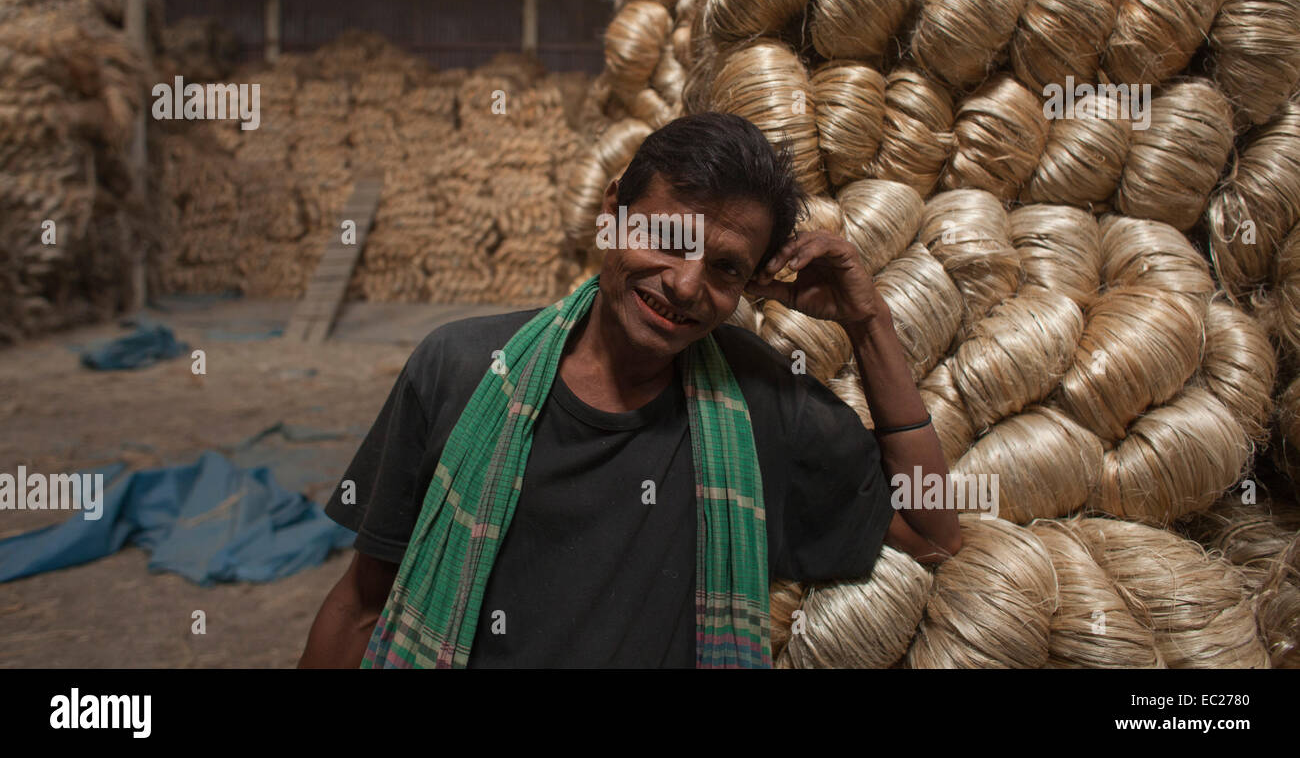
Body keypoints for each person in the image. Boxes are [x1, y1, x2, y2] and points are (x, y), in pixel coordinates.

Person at [299, 111, 961, 669]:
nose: (684, 285)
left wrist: (867, 319)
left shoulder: (761, 407)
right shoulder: (464, 370)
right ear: (614, 208)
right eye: (668, 238)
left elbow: (933, 533)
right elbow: (361, 607)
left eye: (725, 268)